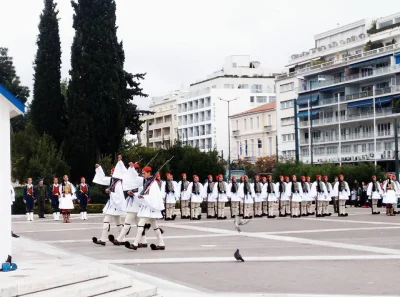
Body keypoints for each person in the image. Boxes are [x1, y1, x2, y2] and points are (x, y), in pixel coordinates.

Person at [126, 166, 165, 251]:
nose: (142, 175)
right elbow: (143, 193)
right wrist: (135, 194)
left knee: (140, 224)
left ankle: (135, 243)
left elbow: (152, 197)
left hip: (149, 208)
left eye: (144, 173)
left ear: (148, 173)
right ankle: (161, 243)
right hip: (147, 207)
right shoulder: (148, 182)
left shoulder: (153, 183)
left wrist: (142, 196)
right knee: (155, 226)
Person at [110, 161, 148, 248]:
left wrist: (133, 193)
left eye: (134, 169)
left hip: (136, 205)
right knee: (139, 225)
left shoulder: (140, 180)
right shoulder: (134, 180)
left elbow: (141, 193)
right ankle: (144, 241)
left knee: (127, 222)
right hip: (132, 204)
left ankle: (119, 239)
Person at [92, 156, 126, 245]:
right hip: (113, 204)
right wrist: (99, 168)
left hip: (115, 205)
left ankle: (103, 239)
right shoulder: (112, 180)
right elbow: (102, 178)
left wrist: (110, 192)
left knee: (107, 221)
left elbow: (119, 196)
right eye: (111, 172)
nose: (111, 173)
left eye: (112, 172)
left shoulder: (118, 183)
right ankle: (122, 239)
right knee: (118, 223)